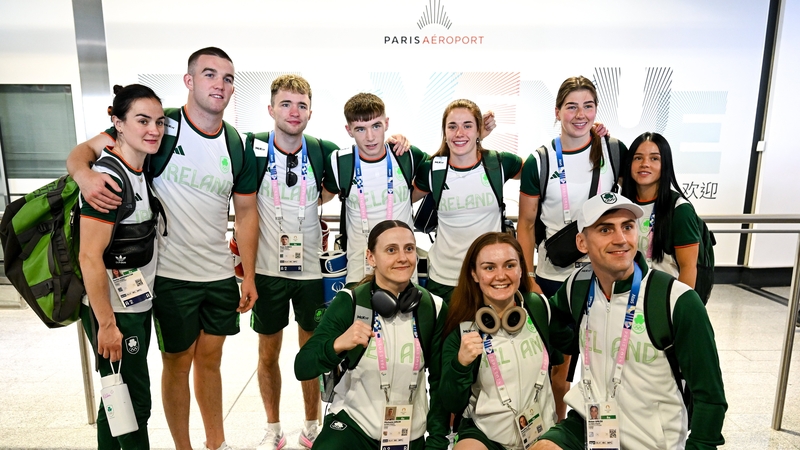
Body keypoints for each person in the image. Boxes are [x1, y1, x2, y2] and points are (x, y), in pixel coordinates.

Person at [68, 47, 260, 450]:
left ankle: (216, 443)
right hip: (170, 277)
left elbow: (245, 213)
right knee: (172, 365)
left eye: (227, 78)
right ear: (189, 81)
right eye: (209, 74)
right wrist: (83, 174)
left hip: (219, 273)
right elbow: (86, 150)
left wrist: (249, 275)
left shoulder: (236, 143)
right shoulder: (160, 127)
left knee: (211, 361)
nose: (219, 84)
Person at [532, 192, 726, 449]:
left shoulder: (677, 300)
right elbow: (552, 321)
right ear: (582, 242)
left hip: (651, 440)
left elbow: (710, 396)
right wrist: (572, 343)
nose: (621, 239)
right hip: (591, 424)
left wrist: (700, 445)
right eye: (605, 229)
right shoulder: (577, 286)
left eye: (628, 227)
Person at [294, 220, 449, 450]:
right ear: (371, 257)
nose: (403, 258)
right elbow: (302, 366)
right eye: (391, 250)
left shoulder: (432, 308)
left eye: (409, 248)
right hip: (354, 427)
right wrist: (337, 345)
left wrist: (436, 442)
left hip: (409, 434)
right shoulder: (351, 301)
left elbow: (439, 383)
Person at [517, 76, 619, 420]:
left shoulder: (613, 151)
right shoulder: (540, 161)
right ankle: (556, 429)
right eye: (572, 106)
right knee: (557, 367)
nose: (581, 114)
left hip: (602, 276)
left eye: (588, 106)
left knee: (605, 358)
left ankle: (599, 430)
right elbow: (527, 224)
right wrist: (528, 276)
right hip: (553, 276)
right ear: (557, 111)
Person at [78, 84, 164, 449]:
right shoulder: (108, 180)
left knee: (115, 394)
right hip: (113, 311)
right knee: (132, 401)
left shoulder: (138, 169)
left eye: (159, 122)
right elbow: (88, 256)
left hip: (135, 304)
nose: (154, 130)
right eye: (142, 121)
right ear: (117, 124)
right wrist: (108, 325)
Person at [440, 232, 562, 450]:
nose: (501, 275)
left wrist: (558, 426)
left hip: (541, 432)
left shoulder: (539, 308)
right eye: (489, 267)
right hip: (485, 435)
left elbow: (563, 358)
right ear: (474, 274)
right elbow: (451, 403)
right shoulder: (463, 328)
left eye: (509, 265)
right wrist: (461, 364)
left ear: (521, 269)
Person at [414, 99, 520, 303]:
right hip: (444, 278)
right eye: (452, 126)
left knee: (490, 335)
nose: (459, 133)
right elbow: (401, 199)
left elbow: (539, 172)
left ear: (479, 130)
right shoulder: (431, 170)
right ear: (444, 132)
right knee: (447, 335)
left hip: (489, 277)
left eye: (468, 126)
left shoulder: (499, 163)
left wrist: (595, 139)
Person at [323, 93, 430, 286]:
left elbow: (445, 166)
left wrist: (478, 135)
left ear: (386, 124)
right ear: (349, 130)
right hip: (359, 270)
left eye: (376, 126)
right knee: (360, 316)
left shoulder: (407, 155)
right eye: (360, 129)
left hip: (403, 268)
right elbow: (322, 196)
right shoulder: (339, 162)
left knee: (406, 315)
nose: (370, 137)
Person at [620, 132, 704, 289]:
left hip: (663, 296)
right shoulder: (624, 205)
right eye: (638, 158)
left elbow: (688, 268)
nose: (645, 164)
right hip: (627, 295)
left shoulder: (679, 209)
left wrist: (678, 307)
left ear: (665, 164)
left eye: (654, 158)